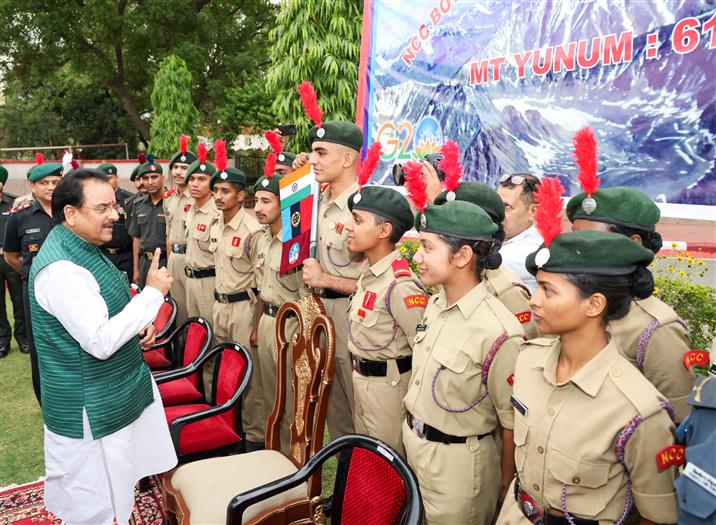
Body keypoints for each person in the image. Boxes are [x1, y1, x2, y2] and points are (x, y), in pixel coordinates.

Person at [495, 179, 679, 525]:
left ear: (595, 304)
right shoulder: (530, 359)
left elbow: (658, 513)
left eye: (549, 291)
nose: (534, 300)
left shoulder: (639, 410)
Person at [29, 168, 176, 525]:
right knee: (95, 505)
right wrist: (154, 294)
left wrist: (137, 324)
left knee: (118, 488)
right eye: (103, 208)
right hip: (90, 409)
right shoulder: (62, 269)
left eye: (114, 205)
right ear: (71, 213)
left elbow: (105, 311)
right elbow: (100, 341)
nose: (115, 215)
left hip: (112, 394)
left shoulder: (83, 246)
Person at [402, 196, 523, 525]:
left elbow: (510, 423)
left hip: (457, 469)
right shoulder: (436, 302)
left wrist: (503, 486)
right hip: (414, 448)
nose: (418, 257)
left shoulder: (499, 331)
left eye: (428, 247)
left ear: (463, 256)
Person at [567, 187, 694, 422]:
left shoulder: (657, 331)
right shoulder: (566, 305)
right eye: (574, 235)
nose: (576, 247)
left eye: (591, 238)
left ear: (633, 244)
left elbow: (676, 422)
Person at [345, 184, 426, 456]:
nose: (348, 227)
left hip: (388, 390)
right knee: (365, 459)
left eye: (357, 220)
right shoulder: (369, 273)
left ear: (384, 231)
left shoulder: (400, 285)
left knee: (389, 464)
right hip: (363, 381)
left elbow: (422, 350)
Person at [300, 118, 367, 439]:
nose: (313, 159)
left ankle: (368, 485)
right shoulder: (313, 200)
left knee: (360, 412)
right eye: (313, 152)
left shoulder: (366, 208)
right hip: (318, 315)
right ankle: (344, 484)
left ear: (347, 159)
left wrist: (325, 279)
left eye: (321, 152)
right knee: (334, 409)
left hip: (353, 318)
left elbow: (378, 285)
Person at [435, 180, 539, 339]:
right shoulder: (440, 293)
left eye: (507, 206)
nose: (502, 215)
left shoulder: (532, 250)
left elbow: (521, 348)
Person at [209, 154, 264, 450]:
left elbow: (261, 283)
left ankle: (255, 437)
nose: (218, 196)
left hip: (244, 308)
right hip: (220, 307)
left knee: (250, 376)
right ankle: (230, 428)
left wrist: (256, 325)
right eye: (216, 190)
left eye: (225, 191)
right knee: (225, 370)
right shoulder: (217, 224)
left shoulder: (252, 231)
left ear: (241, 196)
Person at [252, 167, 310, 450]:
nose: (258, 208)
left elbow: (307, 295)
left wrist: (306, 339)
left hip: (289, 326)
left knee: (289, 397)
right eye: (256, 201)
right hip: (266, 323)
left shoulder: (296, 244)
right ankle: (271, 450)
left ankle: (290, 457)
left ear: (283, 204)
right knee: (268, 393)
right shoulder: (261, 239)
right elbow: (260, 286)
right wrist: (256, 325)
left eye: (266, 201)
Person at [3, 158, 62, 402]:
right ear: (32, 186)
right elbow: (11, 256)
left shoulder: (70, 212)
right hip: (36, 290)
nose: (50, 187)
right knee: (40, 347)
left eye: (56, 182)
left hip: (70, 289)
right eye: (44, 183)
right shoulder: (19, 216)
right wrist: (33, 273)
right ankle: (47, 401)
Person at [183, 144, 219, 323]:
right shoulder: (191, 210)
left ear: (212, 183)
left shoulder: (217, 214)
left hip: (208, 283)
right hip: (190, 281)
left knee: (210, 335)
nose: (195, 184)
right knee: (194, 333)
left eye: (202, 179)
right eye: (192, 179)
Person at [164, 135, 196, 325]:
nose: (178, 171)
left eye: (183, 168)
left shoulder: (198, 199)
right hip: (174, 259)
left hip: (193, 259)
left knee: (196, 311)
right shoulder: (169, 198)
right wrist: (169, 265)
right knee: (179, 313)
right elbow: (168, 235)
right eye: (175, 167)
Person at [497, 173, 543, 293]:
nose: (497, 213)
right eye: (496, 204)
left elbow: (473, 263)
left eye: (506, 206)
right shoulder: (496, 234)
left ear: (533, 211)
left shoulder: (534, 249)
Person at [0, 164, 28, 357]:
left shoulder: (12, 203)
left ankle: (23, 338)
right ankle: (2, 341)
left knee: (18, 300)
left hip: (9, 258)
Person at [128, 157, 167, 288]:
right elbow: (136, 239)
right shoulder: (138, 205)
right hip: (144, 263)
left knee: (169, 305)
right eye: (145, 178)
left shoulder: (172, 203)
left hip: (165, 262)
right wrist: (136, 269)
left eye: (154, 177)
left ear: (163, 177)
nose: (150, 182)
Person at [96, 162, 134, 277]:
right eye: (102, 179)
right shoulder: (94, 201)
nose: (106, 182)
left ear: (117, 177)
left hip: (126, 257)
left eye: (109, 178)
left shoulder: (130, 199)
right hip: (103, 256)